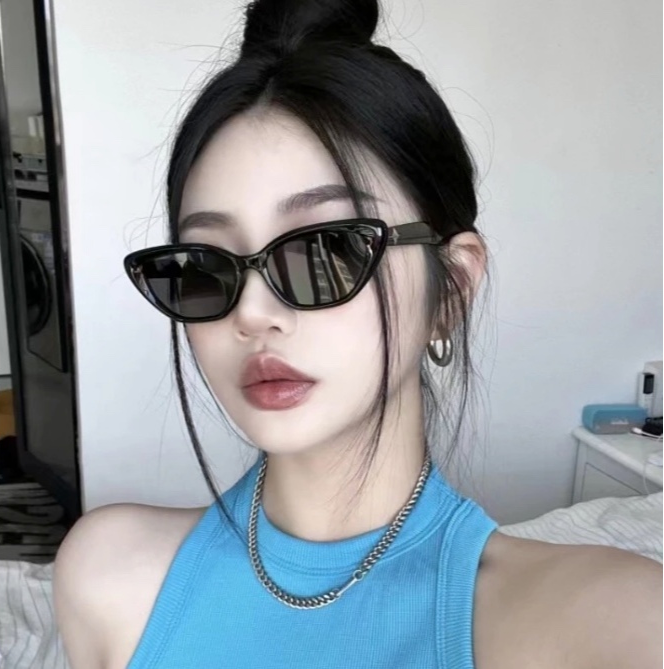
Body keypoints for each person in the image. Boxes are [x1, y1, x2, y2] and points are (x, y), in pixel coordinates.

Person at [53, 1, 662, 667]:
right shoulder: (108, 577)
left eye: (327, 250)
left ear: (451, 289)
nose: (250, 313)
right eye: (206, 267)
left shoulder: (609, 625)